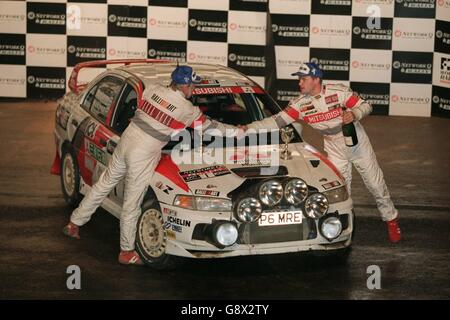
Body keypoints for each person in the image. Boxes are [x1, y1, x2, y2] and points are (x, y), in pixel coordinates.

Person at [62, 65, 243, 265]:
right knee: (132, 203)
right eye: (192, 85)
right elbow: (212, 128)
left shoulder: (153, 89)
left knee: (103, 185)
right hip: (143, 153)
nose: (194, 89)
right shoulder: (187, 110)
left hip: (126, 141)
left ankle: (74, 223)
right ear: (184, 85)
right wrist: (238, 130)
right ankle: (126, 252)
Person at [240, 62, 401, 243]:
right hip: (333, 147)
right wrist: (248, 127)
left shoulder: (337, 92)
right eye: (299, 79)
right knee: (340, 189)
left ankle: (391, 220)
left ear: (316, 79)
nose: (299, 83)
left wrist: (355, 114)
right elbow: (275, 122)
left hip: (357, 143)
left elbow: (366, 105)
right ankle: (340, 225)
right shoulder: (300, 104)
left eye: (303, 79)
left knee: (375, 184)